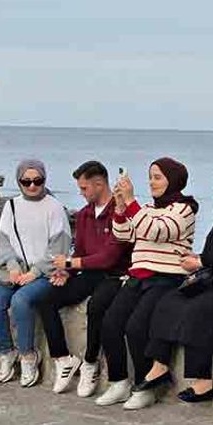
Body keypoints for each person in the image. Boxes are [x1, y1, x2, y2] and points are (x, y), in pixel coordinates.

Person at [135, 167, 213, 404]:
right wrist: (198, 258)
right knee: (170, 301)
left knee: (198, 309)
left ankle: (203, 381)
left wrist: (201, 261)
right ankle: (159, 364)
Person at [95, 157, 197, 410]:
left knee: (136, 326)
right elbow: (125, 235)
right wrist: (120, 208)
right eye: (150, 176)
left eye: (157, 177)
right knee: (110, 322)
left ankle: (146, 385)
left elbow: (158, 231)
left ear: (173, 180)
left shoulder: (184, 209)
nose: (151, 182)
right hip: (138, 275)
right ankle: (119, 381)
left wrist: (131, 203)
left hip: (166, 278)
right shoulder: (148, 208)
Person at [35, 160, 131, 397]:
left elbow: (109, 257)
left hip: (114, 275)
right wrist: (66, 271)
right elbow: (80, 251)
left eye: (84, 188)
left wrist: (69, 263)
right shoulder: (85, 214)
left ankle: (91, 362)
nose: (81, 192)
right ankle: (63, 359)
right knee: (46, 299)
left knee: (97, 306)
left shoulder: (119, 211)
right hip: (88, 273)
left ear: (99, 184)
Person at [0, 159, 71, 388]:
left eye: (37, 181)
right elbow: (3, 242)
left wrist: (34, 272)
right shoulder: (11, 206)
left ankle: (28, 356)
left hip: (43, 274)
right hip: (16, 272)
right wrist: (12, 266)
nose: (32, 186)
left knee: (21, 300)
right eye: (26, 181)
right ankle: (7, 353)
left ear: (44, 180)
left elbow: (59, 247)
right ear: (19, 181)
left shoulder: (54, 208)